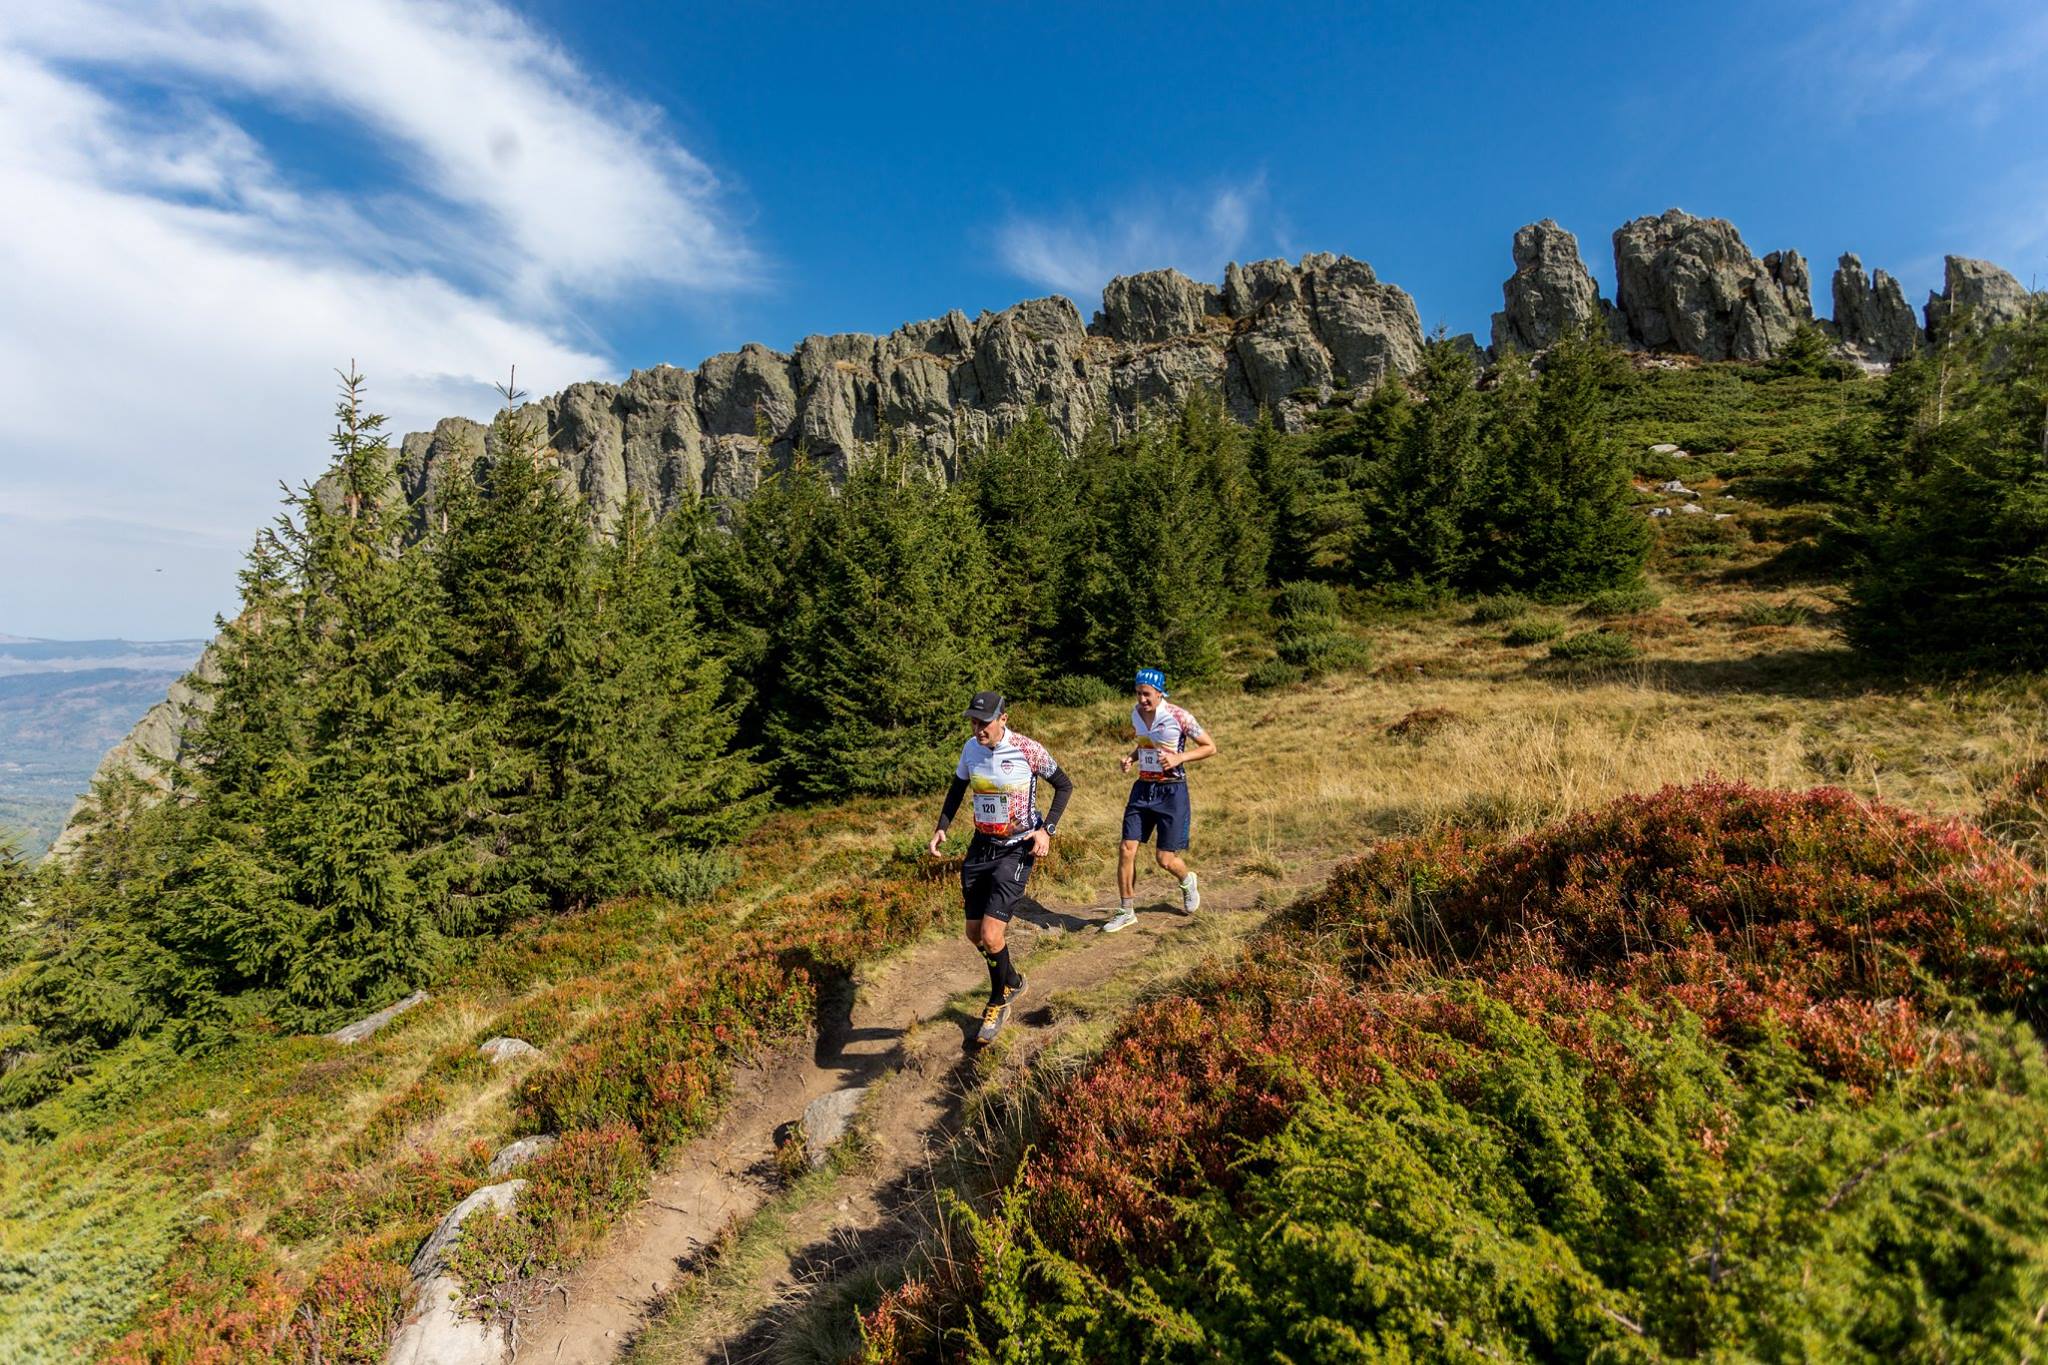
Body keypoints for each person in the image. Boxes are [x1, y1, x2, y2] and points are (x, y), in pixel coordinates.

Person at [927, 690, 1073, 1044]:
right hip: (981, 846)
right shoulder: (970, 749)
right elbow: (957, 788)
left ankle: (998, 999)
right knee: (974, 934)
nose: (978, 729)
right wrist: (941, 826)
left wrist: (1046, 830)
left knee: (993, 936)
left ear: (1003, 719)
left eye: (985, 722)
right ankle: (1012, 980)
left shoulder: (1027, 749)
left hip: (1017, 848)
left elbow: (1064, 786)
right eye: (974, 722)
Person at [1103, 668, 1214, 933]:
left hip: (1171, 791)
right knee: (1126, 848)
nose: (1142, 699)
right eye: (1138, 693)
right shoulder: (1135, 713)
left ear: (1160, 693)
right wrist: (1132, 757)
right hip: (1143, 789)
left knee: (1164, 859)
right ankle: (1126, 910)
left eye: (1147, 694)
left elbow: (1210, 746)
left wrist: (1179, 758)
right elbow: (1146, 744)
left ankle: (1187, 880)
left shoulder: (1179, 716)